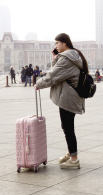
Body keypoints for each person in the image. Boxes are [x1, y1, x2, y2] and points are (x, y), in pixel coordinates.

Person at [35, 33, 87, 169]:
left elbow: (53, 76)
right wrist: (55, 59)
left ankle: (74, 160)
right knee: (67, 126)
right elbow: (58, 71)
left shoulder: (67, 59)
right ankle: (71, 153)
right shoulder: (73, 55)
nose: (55, 46)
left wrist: (38, 84)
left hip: (68, 97)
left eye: (57, 43)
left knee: (68, 128)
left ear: (65, 43)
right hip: (71, 95)